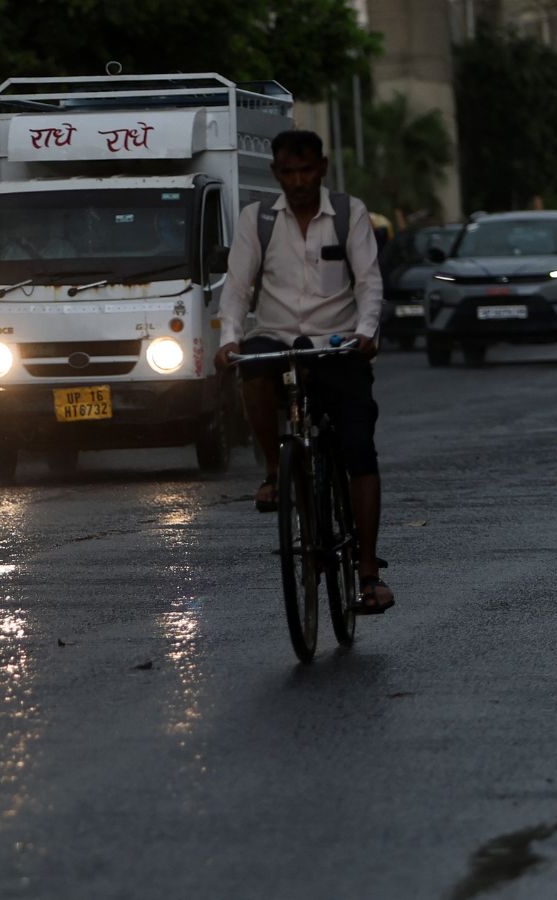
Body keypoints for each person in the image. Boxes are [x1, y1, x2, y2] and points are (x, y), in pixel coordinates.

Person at [214, 129, 394, 614]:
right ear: (277, 174)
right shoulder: (258, 220)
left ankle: (368, 570)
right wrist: (228, 338)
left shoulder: (349, 213)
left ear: (322, 168)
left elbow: (369, 281)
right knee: (250, 367)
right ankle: (275, 470)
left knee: (359, 448)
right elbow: (237, 285)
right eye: (289, 172)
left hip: (337, 345)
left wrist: (366, 331)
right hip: (277, 339)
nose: (298, 181)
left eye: (306, 170)